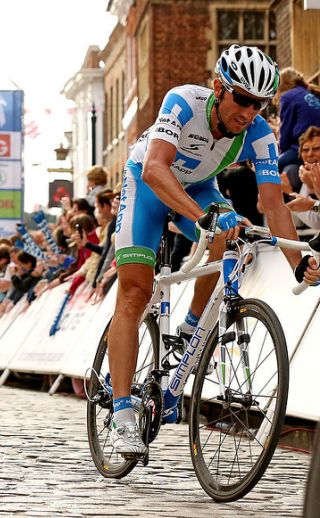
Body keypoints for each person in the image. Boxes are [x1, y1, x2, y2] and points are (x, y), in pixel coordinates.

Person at [107, 45, 320, 456]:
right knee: (134, 292)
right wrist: (200, 218)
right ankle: (121, 414)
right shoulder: (183, 102)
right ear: (219, 88)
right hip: (148, 183)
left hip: (199, 187)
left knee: (231, 234)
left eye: (259, 104)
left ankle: (189, 330)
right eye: (241, 99)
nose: (249, 112)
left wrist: (299, 263)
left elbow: (273, 204)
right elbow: (155, 168)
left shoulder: (259, 134)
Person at [275, 67, 320, 171]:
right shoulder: (309, 93)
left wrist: (282, 152)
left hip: (303, 146)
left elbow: (285, 132)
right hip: (315, 143)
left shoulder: (287, 97)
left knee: (271, 168)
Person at [285, 126, 320, 229]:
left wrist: (313, 190)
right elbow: (297, 224)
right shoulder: (302, 174)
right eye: (305, 150)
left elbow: (316, 223)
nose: (310, 154)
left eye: (316, 148)